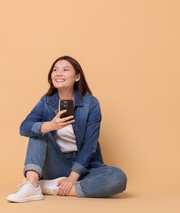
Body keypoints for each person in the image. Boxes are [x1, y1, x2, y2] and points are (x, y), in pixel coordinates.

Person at [7, 56, 127, 203]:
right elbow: (24, 127)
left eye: (65, 70)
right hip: (56, 165)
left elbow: (90, 145)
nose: (58, 73)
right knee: (39, 131)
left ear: (77, 77)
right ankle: (32, 183)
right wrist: (49, 125)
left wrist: (72, 177)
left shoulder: (91, 103)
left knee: (117, 177)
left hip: (85, 167)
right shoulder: (46, 101)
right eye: (55, 70)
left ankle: (48, 187)